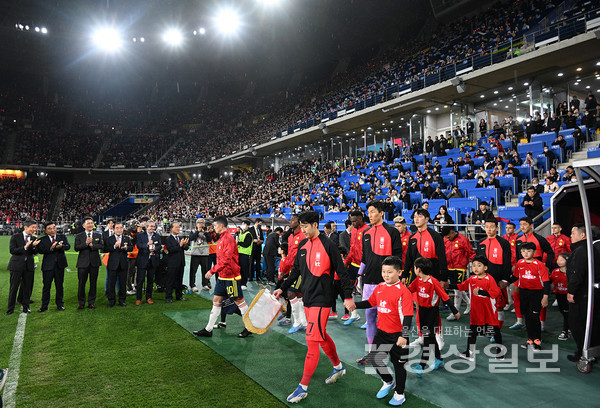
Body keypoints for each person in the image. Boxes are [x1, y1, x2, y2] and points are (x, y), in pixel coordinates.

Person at [273, 211, 355, 404]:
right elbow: (296, 272)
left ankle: (303, 387)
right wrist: (281, 289)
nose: (303, 230)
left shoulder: (329, 246)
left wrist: (349, 297)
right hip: (308, 298)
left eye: (305, 227)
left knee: (312, 342)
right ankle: (338, 367)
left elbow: (342, 273)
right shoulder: (302, 245)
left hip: (323, 300)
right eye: (301, 227)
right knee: (321, 335)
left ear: (316, 225)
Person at [353, 256, 413, 406]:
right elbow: (370, 302)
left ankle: (400, 393)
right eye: (384, 271)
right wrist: (355, 305)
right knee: (374, 358)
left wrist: (404, 336)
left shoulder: (404, 292)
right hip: (381, 333)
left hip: (398, 336)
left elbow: (408, 315)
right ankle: (388, 381)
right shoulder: (380, 287)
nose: (386, 275)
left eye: (390, 272)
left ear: (399, 273)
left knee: (399, 365)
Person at [194, 216, 252, 339]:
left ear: (221, 225)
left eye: (215, 225)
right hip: (222, 277)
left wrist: (212, 270)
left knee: (239, 301)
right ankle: (208, 329)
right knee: (216, 301)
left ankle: (249, 327)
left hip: (231, 277)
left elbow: (226, 260)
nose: (214, 228)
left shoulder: (229, 239)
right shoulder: (221, 239)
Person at [358, 201, 403, 361]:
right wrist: (358, 275)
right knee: (370, 318)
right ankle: (373, 353)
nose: (369, 215)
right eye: (368, 212)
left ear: (381, 213)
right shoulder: (366, 233)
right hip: (368, 281)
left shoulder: (392, 232)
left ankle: (393, 352)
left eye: (372, 212)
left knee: (389, 319)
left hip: (387, 283)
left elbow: (398, 257)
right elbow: (364, 257)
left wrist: (397, 279)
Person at [408, 257, 460, 376]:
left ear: (419, 269)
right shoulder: (417, 280)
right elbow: (408, 291)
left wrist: (455, 311)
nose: (414, 270)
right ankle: (439, 360)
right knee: (430, 338)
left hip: (432, 313)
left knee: (427, 339)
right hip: (422, 312)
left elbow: (445, 297)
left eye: (414, 268)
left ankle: (421, 365)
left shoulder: (433, 282)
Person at [449, 255, 504, 362]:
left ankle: (500, 354)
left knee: (495, 331)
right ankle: (469, 354)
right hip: (476, 312)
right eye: (473, 265)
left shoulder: (489, 279)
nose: (476, 268)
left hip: (489, 312)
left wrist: (480, 292)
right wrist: (448, 286)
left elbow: (495, 292)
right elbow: (461, 286)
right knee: (472, 332)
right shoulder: (472, 279)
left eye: (479, 265)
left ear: (485, 268)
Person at [511, 217, 554, 329]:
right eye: (521, 225)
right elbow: (517, 256)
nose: (522, 227)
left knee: (538, 298)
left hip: (536, 273)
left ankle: (541, 323)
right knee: (516, 295)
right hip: (521, 272)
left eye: (525, 224)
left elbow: (550, 253)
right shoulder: (518, 240)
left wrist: (546, 265)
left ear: (531, 225)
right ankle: (520, 321)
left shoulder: (539, 239)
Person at [566, 223, 600, 362]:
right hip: (589, 292)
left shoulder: (581, 250)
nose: (571, 236)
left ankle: (583, 351)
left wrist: (571, 291)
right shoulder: (591, 248)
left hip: (582, 294)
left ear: (582, 235)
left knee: (577, 324)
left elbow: (577, 273)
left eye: (573, 233)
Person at [507, 242, 550, 351]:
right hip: (523, 292)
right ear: (521, 252)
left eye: (529, 251)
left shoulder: (539, 265)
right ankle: (530, 339)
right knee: (527, 316)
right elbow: (515, 277)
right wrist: (505, 282)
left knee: (534, 317)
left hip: (537, 293)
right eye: (524, 251)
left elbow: (546, 282)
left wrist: (545, 297)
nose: (526, 253)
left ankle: (537, 341)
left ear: (534, 252)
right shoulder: (520, 263)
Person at [476, 220, 512, 329]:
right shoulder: (481, 242)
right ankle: (489, 327)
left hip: (498, 282)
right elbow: (478, 262)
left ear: (496, 228)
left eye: (491, 227)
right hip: (484, 282)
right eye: (486, 227)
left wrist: (506, 279)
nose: (489, 229)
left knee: (499, 308)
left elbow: (507, 262)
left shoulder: (503, 242)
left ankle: (497, 331)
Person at [278, 214, 308, 333]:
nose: (290, 221)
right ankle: (304, 321)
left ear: (299, 222)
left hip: (301, 270)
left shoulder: (303, 236)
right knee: (299, 296)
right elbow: (290, 256)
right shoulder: (290, 237)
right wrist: (285, 270)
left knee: (291, 293)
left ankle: (297, 321)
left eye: (292, 220)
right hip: (292, 270)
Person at [6, 219, 40, 315]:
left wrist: (33, 246)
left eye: (35, 227)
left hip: (29, 266)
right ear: (26, 227)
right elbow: (12, 250)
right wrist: (25, 247)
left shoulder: (33, 238)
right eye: (33, 227)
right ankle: (10, 309)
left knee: (27, 288)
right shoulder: (15, 237)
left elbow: (35, 252)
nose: (34, 229)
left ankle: (26, 307)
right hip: (16, 266)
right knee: (14, 288)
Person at [37, 221, 70, 312]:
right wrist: (52, 248)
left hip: (60, 266)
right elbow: (41, 250)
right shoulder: (42, 239)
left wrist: (61, 246)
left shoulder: (62, 236)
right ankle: (44, 306)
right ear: (45, 231)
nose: (53, 230)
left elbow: (68, 246)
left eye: (54, 227)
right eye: (50, 228)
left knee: (59, 286)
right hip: (48, 267)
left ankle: (60, 304)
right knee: (46, 287)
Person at [342, 210, 369, 324]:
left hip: (365, 265)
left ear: (360, 219)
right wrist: (347, 261)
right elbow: (352, 248)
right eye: (351, 221)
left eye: (354, 221)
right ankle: (354, 314)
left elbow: (368, 251)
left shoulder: (368, 230)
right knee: (348, 288)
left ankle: (369, 320)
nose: (352, 224)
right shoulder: (353, 230)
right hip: (353, 263)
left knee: (366, 293)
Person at [442, 227, 475, 318]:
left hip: (460, 267)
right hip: (449, 267)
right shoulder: (445, 240)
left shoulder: (464, 240)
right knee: (457, 288)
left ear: (453, 232)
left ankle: (455, 311)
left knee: (458, 288)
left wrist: (476, 265)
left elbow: (471, 253)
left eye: (449, 237)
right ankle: (469, 304)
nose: (448, 239)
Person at [74, 216, 104, 309]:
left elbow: (102, 245)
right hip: (83, 264)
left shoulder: (98, 235)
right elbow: (76, 248)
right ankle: (81, 303)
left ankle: (91, 302)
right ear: (83, 225)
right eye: (88, 223)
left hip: (94, 263)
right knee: (81, 283)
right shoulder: (79, 236)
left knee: (93, 283)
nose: (91, 225)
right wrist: (86, 244)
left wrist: (92, 245)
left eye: (92, 223)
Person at [105, 222, 132, 307]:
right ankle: (111, 301)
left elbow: (131, 247)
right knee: (111, 283)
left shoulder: (127, 238)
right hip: (112, 264)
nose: (119, 230)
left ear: (123, 229)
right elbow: (105, 248)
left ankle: (122, 300)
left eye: (121, 228)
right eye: (117, 228)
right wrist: (113, 246)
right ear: (114, 229)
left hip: (123, 264)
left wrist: (126, 248)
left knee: (122, 283)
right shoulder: (109, 239)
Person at [134, 220, 161, 305]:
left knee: (150, 280)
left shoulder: (157, 236)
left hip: (153, 260)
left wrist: (155, 249)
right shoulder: (140, 235)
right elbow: (138, 245)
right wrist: (147, 244)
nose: (152, 228)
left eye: (154, 226)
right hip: (142, 260)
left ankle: (148, 298)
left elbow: (159, 246)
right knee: (140, 280)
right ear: (146, 226)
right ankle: (139, 298)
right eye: (151, 226)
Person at [164, 222, 189, 303]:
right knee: (170, 281)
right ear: (171, 229)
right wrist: (180, 245)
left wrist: (185, 244)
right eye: (176, 227)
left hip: (181, 263)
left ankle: (179, 296)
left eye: (179, 227)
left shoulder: (181, 237)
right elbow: (171, 250)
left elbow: (186, 248)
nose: (178, 229)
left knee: (179, 281)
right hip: (172, 263)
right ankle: (168, 297)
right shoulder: (168, 239)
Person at [551, 253, 570, 341]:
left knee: (567, 313)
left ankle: (565, 331)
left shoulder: (570, 272)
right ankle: (569, 326)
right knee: (562, 311)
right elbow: (549, 280)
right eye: (558, 259)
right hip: (559, 294)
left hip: (568, 295)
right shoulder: (555, 271)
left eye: (561, 260)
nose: (559, 261)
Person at [189, 219, 211, 292]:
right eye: (200, 223)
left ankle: (205, 284)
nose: (201, 224)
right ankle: (192, 285)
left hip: (204, 253)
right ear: (196, 224)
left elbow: (209, 240)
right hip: (195, 253)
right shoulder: (193, 231)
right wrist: (198, 231)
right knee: (193, 270)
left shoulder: (206, 232)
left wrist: (206, 233)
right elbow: (191, 238)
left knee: (205, 270)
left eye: (203, 223)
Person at [237, 220, 253, 289]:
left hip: (245, 254)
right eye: (242, 223)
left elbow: (246, 244)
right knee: (239, 269)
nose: (242, 225)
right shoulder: (240, 233)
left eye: (244, 224)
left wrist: (239, 243)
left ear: (248, 226)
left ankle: (244, 283)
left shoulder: (248, 234)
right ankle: (239, 282)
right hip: (239, 253)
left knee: (244, 269)